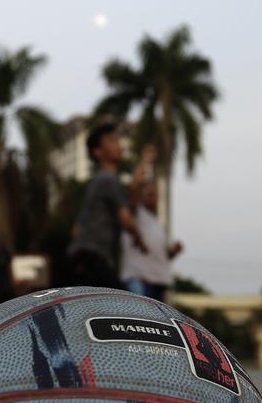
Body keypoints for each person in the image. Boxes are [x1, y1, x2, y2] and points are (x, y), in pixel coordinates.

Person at [67, 122, 147, 288]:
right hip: (92, 258)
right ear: (97, 151)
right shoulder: (108, 179)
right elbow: (126, 219)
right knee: (120, 306)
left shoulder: (100, 182)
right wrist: (140, 239)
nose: (118, 145)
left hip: (85, 259)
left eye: (117, 141)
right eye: (111, 141)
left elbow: (76, 229)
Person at [121, 173, 183, 302]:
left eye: (154, 191)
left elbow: (163, 255)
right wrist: (146, 159)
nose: (152, 193)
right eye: (148, 191)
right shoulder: (136, 213)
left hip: (158, 283)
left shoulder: (159, 225)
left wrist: (173, 252)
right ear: (141, 195)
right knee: (140, 319)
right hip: (139, 281)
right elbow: (132, 189)